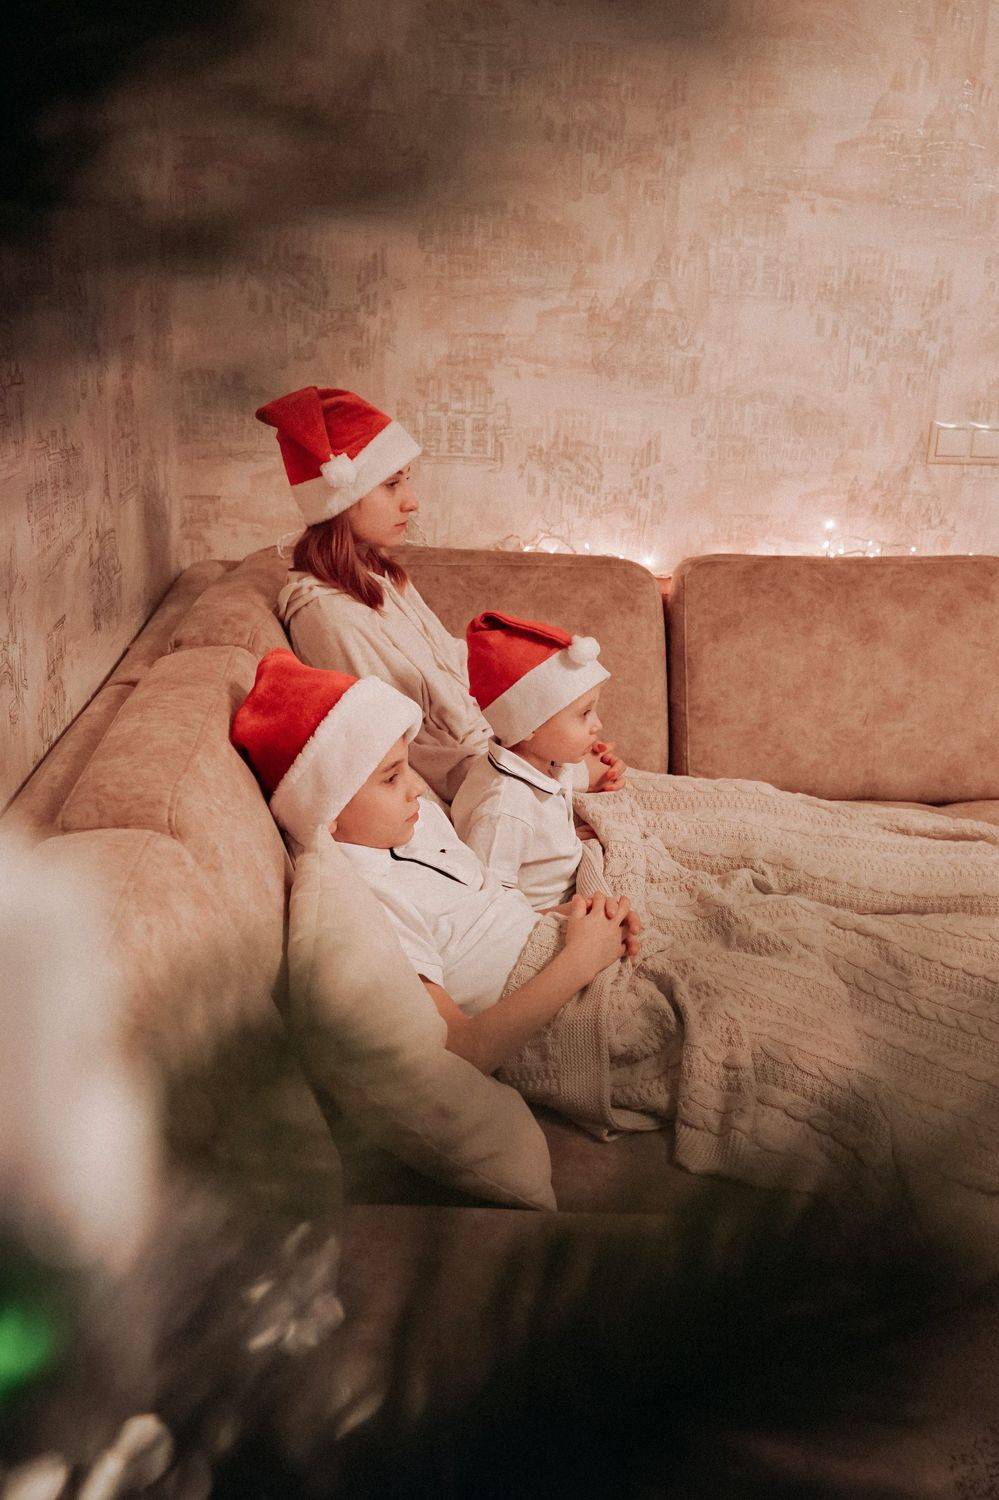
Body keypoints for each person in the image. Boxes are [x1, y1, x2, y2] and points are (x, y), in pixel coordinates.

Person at [231, 650, 642, 1075]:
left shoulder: (419, 822)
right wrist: (582, 958)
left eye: (407, 768)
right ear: (327, 809)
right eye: (391, 777)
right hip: (557, 996)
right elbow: (462, 1049)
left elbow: (483, 918)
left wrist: (569, 915)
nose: (416, 788)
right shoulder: (367, 902)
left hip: (562, 945)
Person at [255, 385, 626, 805]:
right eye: (391, 484)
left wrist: (557, 742)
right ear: (339, 497)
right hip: (484, 788)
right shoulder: (328, 616)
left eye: (407, 481)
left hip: (502, 763)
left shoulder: (382, 577)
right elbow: (404, 749)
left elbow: (460, 680)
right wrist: (561, 773)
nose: (411, 502)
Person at [450, 611, 623, 911]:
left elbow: (580, 779)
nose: (598, 725)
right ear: (528, 725)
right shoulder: (505, 809)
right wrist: (566, 914)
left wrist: (562, 844)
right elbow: (491, 907)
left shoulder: (545, 762)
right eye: (585, 713)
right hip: (547, 911)